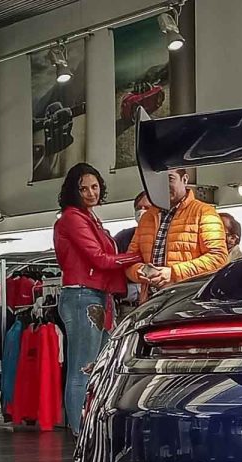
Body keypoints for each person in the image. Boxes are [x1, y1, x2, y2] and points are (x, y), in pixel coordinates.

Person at [52, 163, 142, 435]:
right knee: (83, 369)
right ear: (74, 191)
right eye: (84, 189)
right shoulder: (73, 219)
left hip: (93, 296)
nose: (91, 193)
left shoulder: (87, 218)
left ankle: (87, 430)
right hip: (84, 295)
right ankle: (82, 432)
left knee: (95, 367)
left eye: (94, 187)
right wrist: (138, 257)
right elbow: (100, 259)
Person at [124, 168, 229, 302]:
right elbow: (129, 261)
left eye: (170, 179)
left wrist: (173, 273)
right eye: (157, 180)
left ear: (184, 180)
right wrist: (141, 271)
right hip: (151, 301)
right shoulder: (147, 218)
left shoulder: (204, 212)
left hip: (187, 300)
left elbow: (218, 258)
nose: (162, 185)